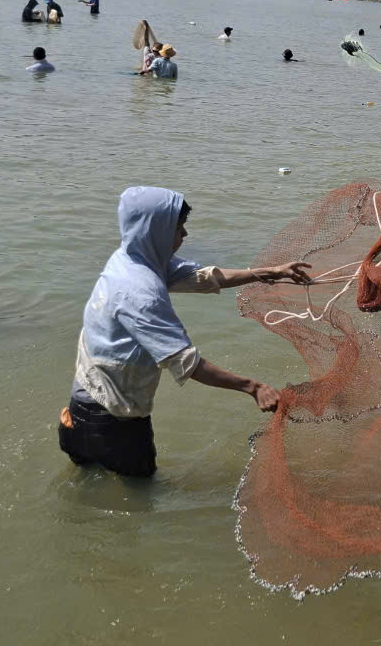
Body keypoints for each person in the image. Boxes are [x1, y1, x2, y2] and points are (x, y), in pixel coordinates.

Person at [57, 187, 312, 477]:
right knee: (139, 493)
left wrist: (272, 272)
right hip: (115, 422)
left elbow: (204, 277)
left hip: (79, 407)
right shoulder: (141, 292)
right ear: (157, 232)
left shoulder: (132, 258)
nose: (185, 234)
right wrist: (253, 388)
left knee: (84, 481)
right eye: (179, 228)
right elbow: (187, 363)